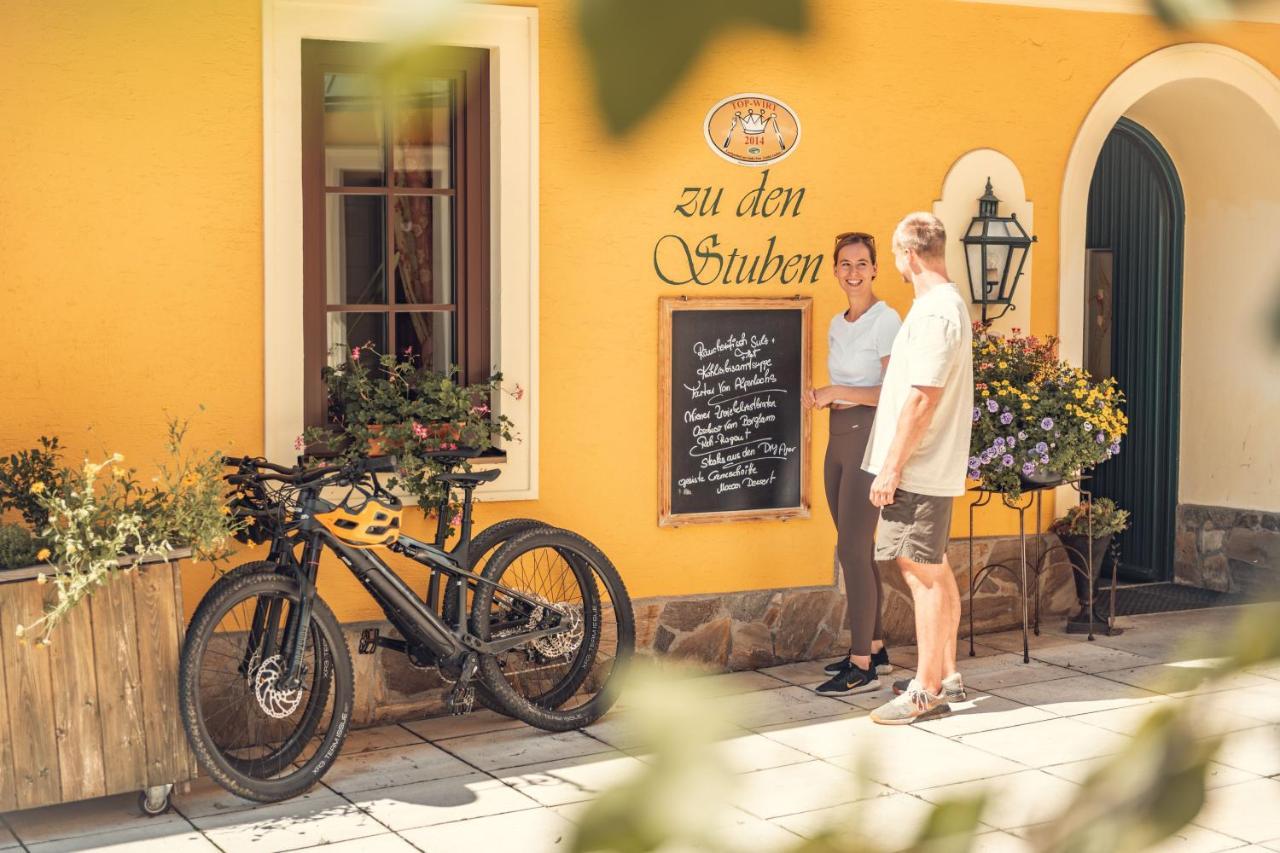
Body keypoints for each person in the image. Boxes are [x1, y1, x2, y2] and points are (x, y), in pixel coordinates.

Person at [862, 212, 974, 725]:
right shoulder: (945, 307)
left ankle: (925, 689)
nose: (895, 265)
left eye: (893, 256)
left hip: (919, 469)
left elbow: (922, 399)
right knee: (934, 569)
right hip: (926, 467)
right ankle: (947, 675)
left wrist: (891, 468)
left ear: (908, 254)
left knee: (920, 574)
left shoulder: (934, 314)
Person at [803, 232, 901, 697]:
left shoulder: (886, 320)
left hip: (868, 438)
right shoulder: (837, 323)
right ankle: (875, 644)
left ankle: (861, 665)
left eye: (862, 263)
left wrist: (835, 393)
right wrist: (822, 398)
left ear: (875, 268)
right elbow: (842, 384)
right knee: (856, 550)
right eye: (845, 264)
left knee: (851, 552)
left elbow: (891, 393)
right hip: (838, 437)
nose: (854, 272)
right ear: (836, 269)